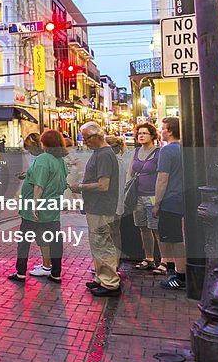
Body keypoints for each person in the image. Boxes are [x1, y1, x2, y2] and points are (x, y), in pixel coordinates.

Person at [8, 129, 69, 284]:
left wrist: (35, 205)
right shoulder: (60, 160)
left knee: (24, 241)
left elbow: (39, 185)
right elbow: (62, 183)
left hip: (36, 208)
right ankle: (56, 272)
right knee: (54, 240)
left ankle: (20, 272)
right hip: (52, 207)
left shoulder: (43, 158)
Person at [70, 121, 121, 296]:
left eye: (86, 138)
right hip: (96, 206)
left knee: (102, 243)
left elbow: (103, 185)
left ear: (97, 135)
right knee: (98, 243)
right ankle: (102, 277)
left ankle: (110, 282)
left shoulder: (104, 155)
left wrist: (81, 187)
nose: (85, 142)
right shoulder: (100, 153)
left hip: (101, 206)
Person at [155, 116, 187, 291]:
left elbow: (162, 179)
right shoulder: (186, 149)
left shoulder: (166, 151)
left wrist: (157, 203)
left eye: (163, 128)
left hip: (170, 200)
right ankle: (176, 271)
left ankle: (178, 274)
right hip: (183, 198)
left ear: (171, 131)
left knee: (172, 239)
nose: (161, 131)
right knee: (176, 237)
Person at [127, 123, 162, 272]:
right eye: (139, 133)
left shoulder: (159, 152)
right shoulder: (135, 152)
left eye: (145, 133)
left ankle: (165, 260)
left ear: (152, 136)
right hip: (138, 195)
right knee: (143, 228)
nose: (141, 135)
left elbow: (162, 175)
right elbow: (130, 172)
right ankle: (149, 258)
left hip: (152, 195)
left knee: (156, 228)